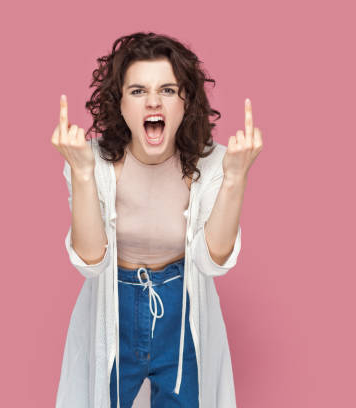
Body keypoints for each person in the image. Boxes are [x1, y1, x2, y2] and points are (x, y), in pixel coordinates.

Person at [52, 32, 263, 408]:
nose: (153, 101)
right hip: (113, 306)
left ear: (186, 102)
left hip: (181, 311)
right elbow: (90, 261)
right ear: (120, 104)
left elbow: (211, 262)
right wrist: (82, 175)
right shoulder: (92, 163)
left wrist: (234, 179)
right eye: (137, 91)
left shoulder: (213, 163)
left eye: (168, 90)